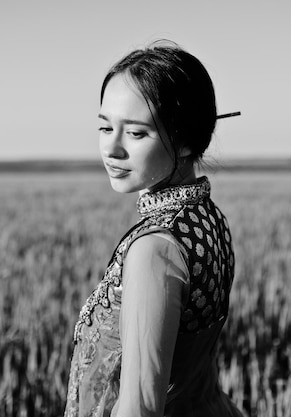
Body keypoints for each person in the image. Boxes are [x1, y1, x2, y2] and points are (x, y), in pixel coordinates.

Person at [65, 41, 243, 417]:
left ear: (185, 141)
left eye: (135, 133)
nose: (111, 148)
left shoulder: (155, 250)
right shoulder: (208, 219)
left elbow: (141, 407)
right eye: (105, 126)